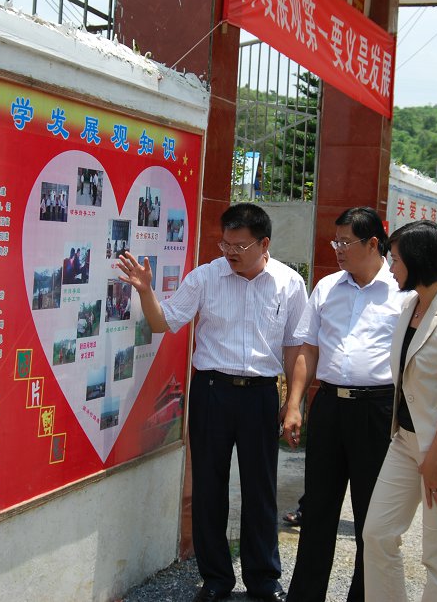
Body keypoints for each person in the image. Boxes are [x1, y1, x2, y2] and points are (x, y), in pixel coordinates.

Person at [117, 203, 307, 602]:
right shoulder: (206, 277)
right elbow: (163, 322)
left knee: (260, 488)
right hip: (212, 392)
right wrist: (146, 291)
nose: (230, 252)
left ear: (264, 244)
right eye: (225, 244)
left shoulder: (289, 283)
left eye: (240, 245)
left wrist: (293, 403)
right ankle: (216, 577)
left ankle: (263, 578)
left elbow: (295, 347)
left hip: (260, 394)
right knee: (208, 487)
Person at [280, 207, 407, 602]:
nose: (337, 249)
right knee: (318, 508)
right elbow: (308, 349)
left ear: (373, 244)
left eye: (346, 242)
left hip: (378, 410)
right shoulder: (327, 287)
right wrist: (294, 404)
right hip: (330, 406)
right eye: (335, 241)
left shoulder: (402, 291)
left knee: (372, 513)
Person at [362, 220, 437, 602]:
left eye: (395, 259)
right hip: (406, 440)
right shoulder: (410, 305)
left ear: (419, 260)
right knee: (377, 534)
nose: (390, 267)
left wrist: (432, 461)